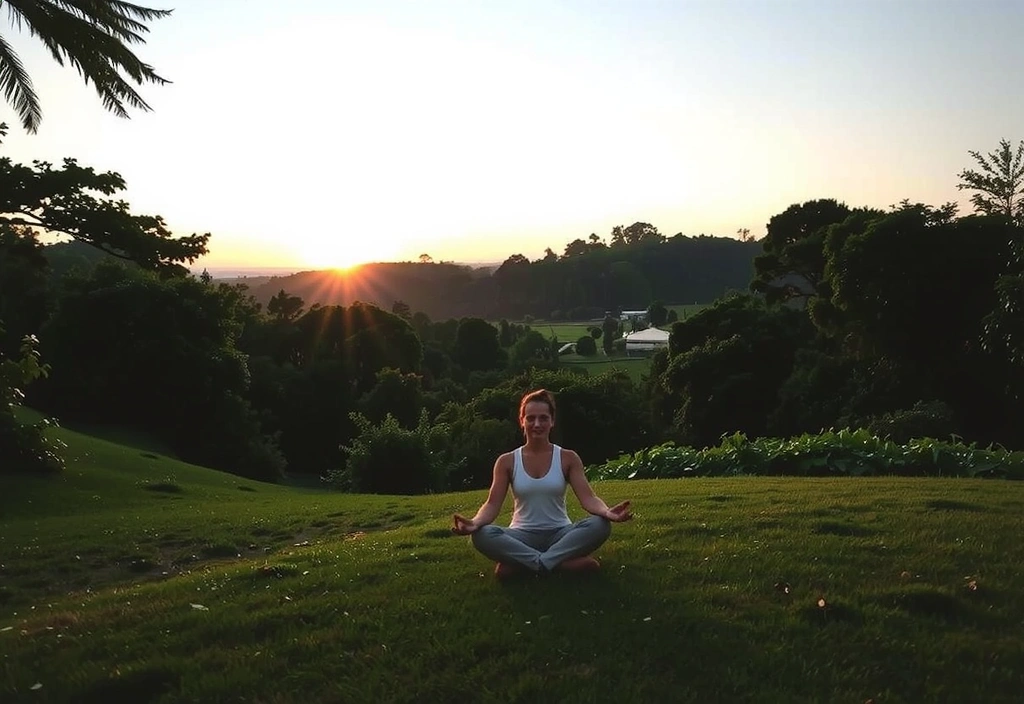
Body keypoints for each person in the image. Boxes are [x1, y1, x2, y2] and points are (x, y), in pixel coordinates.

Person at [451, 388, 633, 578]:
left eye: (543, 418)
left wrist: (606, 512)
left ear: (552, 421)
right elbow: (492, 504)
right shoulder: (507, 461)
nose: (537, 424)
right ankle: (556, 564)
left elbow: (588, 498)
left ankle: (530, 565)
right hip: (521, 536)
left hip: (561, 534)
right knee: (481, 535)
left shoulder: (567, 458)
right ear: (522, 421)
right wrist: (474, 523)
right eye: (530, 418)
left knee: (600, 525)